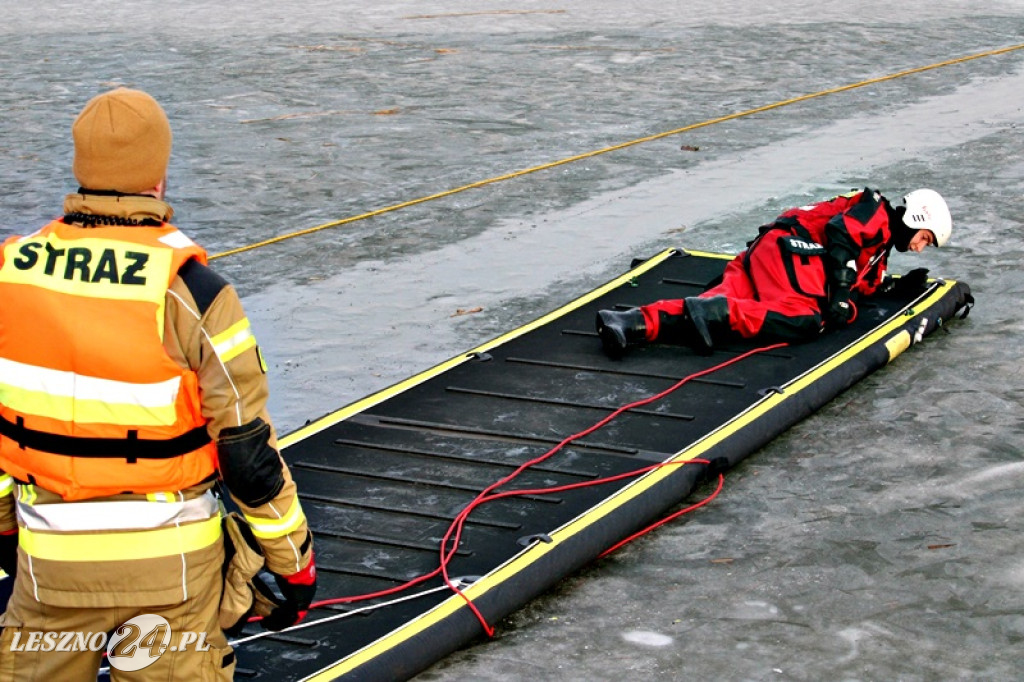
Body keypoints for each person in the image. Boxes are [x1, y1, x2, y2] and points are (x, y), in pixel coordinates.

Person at [0, 88, 316, 680]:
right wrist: (292, 559)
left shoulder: (11, 276)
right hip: (173, 569)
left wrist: (4, 534)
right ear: (158, 176)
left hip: (50, 565)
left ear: (82, 168)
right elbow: (246, 455)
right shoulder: (195, 291)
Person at [596, 187, 952, 358]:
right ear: (916, 218)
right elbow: (841, 237)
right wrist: (840, 297)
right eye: (925, 237)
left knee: (710, 305)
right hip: (792, 252)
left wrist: (898, 287)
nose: (920, 246)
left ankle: (629, 322)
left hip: (769, 250)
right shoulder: (876, 213)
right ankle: (716, 312)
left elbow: (866, 281)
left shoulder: (879, 245)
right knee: (804, 318)